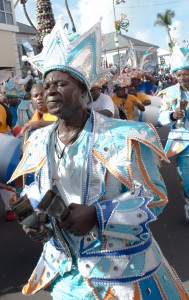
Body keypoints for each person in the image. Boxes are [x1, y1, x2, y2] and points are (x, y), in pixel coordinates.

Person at [9, 18, 188, 299]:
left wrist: (98, 215)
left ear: (84, 93)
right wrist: (33, 216)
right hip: (66, 271)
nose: (50, 90)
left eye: (61, 84)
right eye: (46, 85)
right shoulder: (38, 140)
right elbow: (39, 189)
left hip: (123, 275)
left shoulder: (125, 136)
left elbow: (155, 197)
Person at [158, 45, 189, 222]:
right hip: (183, 142)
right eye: (180, 75)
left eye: (186, 73)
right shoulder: (170, 94)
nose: (183, 77)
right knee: (187, 178)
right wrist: (172, 114)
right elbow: (161, 118)